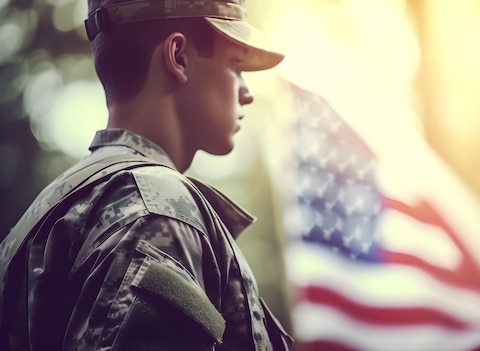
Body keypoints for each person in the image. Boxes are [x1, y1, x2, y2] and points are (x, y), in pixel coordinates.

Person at [0, 0, 292, 349]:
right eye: (235, 65)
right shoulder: (157, 209)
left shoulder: (47, 211)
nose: (247, 93)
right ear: (179, 57)